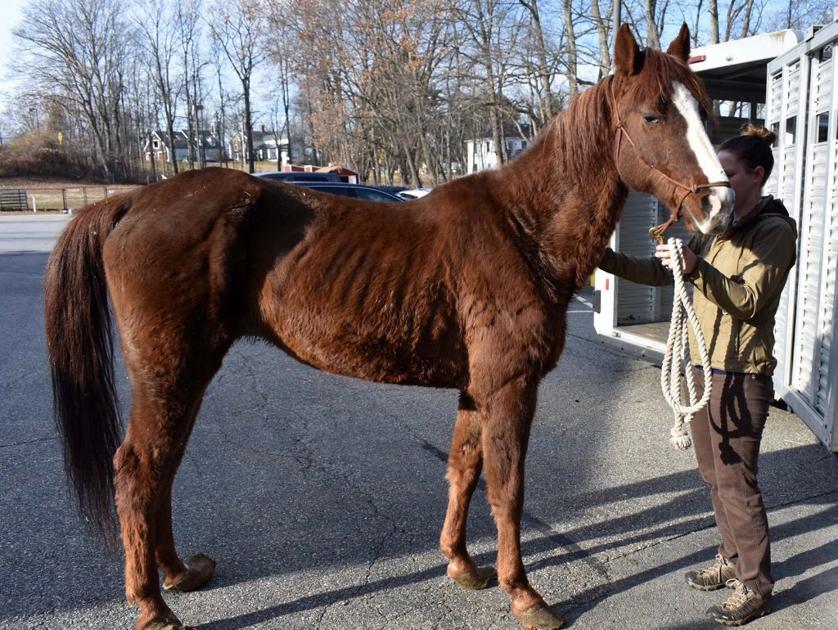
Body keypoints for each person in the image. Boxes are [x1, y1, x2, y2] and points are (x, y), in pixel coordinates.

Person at [598, 124, 797, 626]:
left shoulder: (774, 231)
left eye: (726, 173)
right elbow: (658, 270)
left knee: (737, 483)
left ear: (756, 174)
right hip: (702, 365)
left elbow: (750, 302)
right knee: (713, 478)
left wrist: (696, 268)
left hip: (740, 374)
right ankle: (732, 562)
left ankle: (756, 585)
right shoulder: (717, 226)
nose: (718, 181)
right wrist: (600, 257)